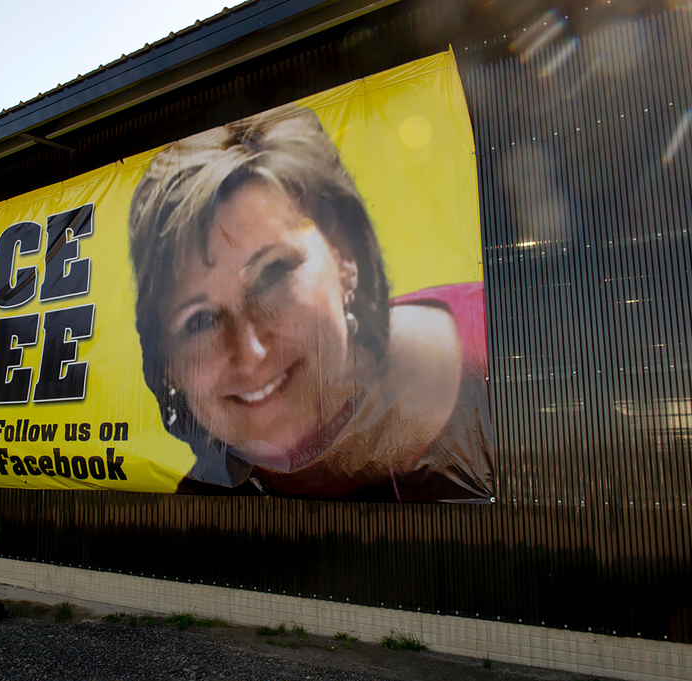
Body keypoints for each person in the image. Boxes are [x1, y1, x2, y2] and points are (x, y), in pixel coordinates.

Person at [128, 103, 492, 502]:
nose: (250, 351)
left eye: (272, 274)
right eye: (199, 321)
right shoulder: (195, 499)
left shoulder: (502, 346)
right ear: (167, 369)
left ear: (345, 255)